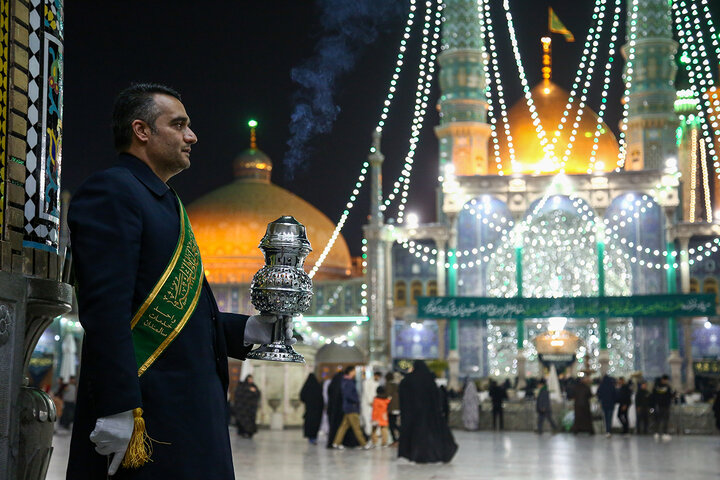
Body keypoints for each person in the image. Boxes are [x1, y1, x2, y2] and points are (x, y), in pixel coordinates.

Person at [66, 83, 292, 479]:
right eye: (179, 125)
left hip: (186, 412)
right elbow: (106, 309)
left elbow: (187, 317)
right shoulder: (114, 191)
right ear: (142, 131)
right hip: (151, 412)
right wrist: (118, 407)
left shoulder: (165, 201)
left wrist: (250, 327)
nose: (192, 136)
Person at [398, 360, 458, 463]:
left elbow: (403, 397)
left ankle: (413, 454)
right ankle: (433, 454)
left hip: (413, 416)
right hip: (430, 415)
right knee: (430, 435)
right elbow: (437, 397)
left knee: (415, 435)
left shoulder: (408, 380)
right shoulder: (430, 381)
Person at [332, 366, 369, 449]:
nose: (355, 373)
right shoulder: (348, 382)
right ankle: (364, 444)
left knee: (343, 426)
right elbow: (349, 394)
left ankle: (336, 443)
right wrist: (356, 400)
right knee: (356, 427)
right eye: (354, 371)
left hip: (347, 407)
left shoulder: (345, 381)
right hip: (351, 407)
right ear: (350, 372)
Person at [299, 373, 324, 444]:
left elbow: (302, 396)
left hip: (309, 409)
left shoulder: (306, 387)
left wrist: (307, 401)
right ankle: (314, 437)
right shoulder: (318, 387)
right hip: (317, 410)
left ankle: (310, 438)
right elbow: (321, 399)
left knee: (309, 423)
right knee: (315, 424)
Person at [651, 374, 674, 441]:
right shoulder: (667, 387)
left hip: (659, 405)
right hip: (663, 405)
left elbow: (653, 396)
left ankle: (657, 433)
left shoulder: (656, 387)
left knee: (658, 420)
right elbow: (670, 396)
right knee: (664, 419)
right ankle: (663, 433)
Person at [361, 370, 381, 436]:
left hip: (374, 403)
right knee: (367, 418)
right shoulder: (367, 382)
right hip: (367, 404)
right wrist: (370, 401)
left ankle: (375, 433)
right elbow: (366, 392)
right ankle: (368, 433)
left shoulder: (377, 383)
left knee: (374, 419)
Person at [384, 372, 400, 446]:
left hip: (391, 407)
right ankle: (397, 439)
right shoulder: (396, 385)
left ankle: (395, 440)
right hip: (397, 407)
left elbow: (387, 395)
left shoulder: (388, 385)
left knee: (391, 424)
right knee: (394, 423)